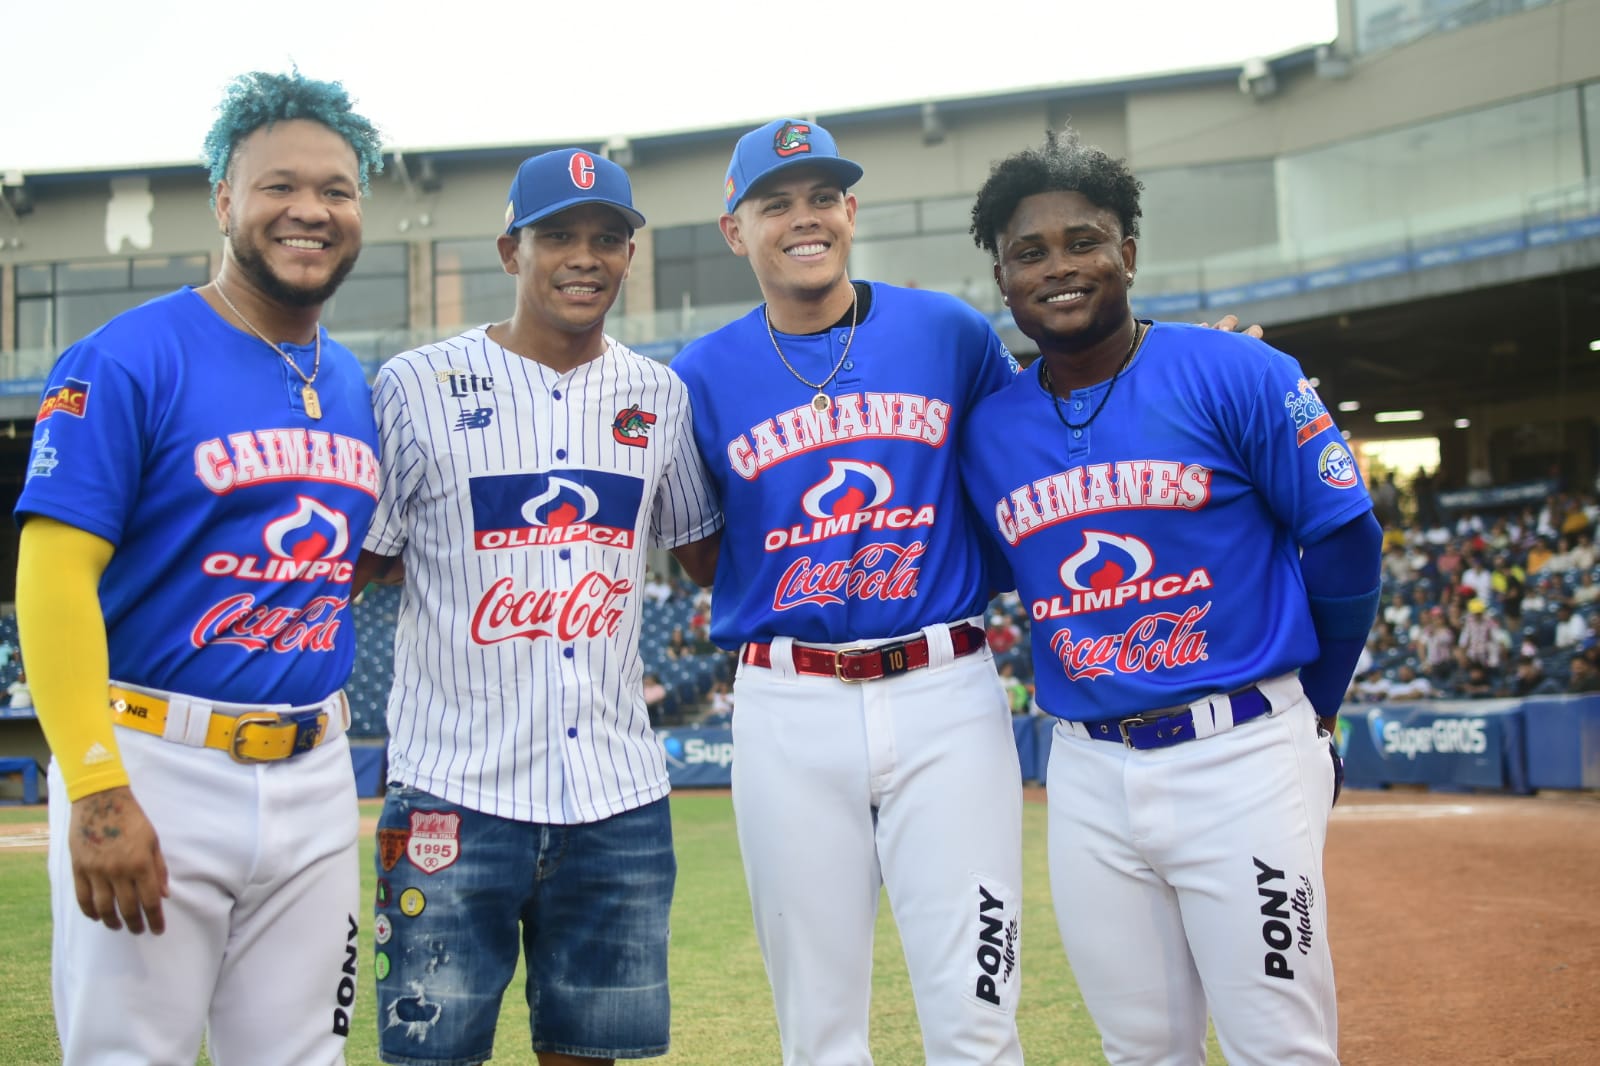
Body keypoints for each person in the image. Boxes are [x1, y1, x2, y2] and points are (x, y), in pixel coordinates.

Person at [961, 129, 1382, 1065]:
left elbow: (1347, 541)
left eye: (1084, 241)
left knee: (1281, 1044)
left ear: (1131, 256)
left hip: (1241, 750)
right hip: (1086, 771)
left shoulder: (1238, 371)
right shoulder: (990, 430)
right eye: (1029, 252)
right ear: (1001, 277)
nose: (1059, 268)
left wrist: (1311, 712)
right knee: (1140, 1049)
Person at [13, 70, 382, 1065]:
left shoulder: (349, 379)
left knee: (305, 1055)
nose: (310, 209)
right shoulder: (127, 356)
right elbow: (49, 576)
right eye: (278, 186)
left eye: (337, 190)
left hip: (313, 772)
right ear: (224, 200)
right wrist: (94, 783)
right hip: (153, 764)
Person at [669, 117, 1030, 1065]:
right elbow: (703, 555)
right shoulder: (698, 377)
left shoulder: (947, 331)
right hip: (789, 705)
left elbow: (1031, 457)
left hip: (945, 692)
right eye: (775, 203)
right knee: (819, 1029)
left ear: (851, 210)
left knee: (977, 1013)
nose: (805, 218)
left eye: (823, 197)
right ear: (734, 230)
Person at [354, 148, 720, 1066]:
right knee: (430, 1055)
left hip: (616, 797)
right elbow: (371, 561)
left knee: (590, 1054)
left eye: (608, 237)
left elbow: (703, 551)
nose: (585, 256)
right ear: (511, 249)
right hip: (453, 792)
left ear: (630, 255)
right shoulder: (413, 386)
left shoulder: (658, 394)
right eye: (558, 234)